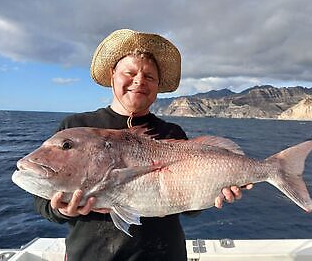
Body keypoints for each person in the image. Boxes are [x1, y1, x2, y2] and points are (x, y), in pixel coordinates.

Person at [34, 29, 253, 261]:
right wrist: (60, 209)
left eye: (149, 77)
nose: (139, 81)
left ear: (157, 86)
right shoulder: (76, 127)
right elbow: (41, 201)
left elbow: (188, 206)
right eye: (130, 72)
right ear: (112, 75)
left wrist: (214, 192)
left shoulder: (172, 133)